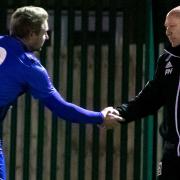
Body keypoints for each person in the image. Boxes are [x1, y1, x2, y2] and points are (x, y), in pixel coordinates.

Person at [0, 6, 122, 179]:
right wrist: (100, 117)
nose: (47, 36)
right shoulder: (29, 66)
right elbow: (62, 108)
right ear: (31, 33)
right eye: (44, 32)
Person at [116, 6, 180, 180]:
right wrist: (121, 111)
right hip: (172, 155)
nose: (167, 32)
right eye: (166, 27)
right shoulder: (167, 60)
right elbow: (149, 98)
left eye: (172, 27)